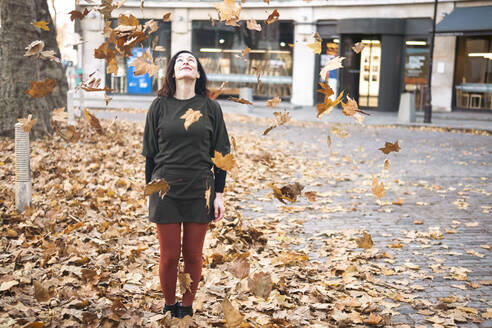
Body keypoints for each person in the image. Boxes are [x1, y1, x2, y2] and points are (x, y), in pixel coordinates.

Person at [142, 50, 231, 319]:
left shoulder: (211, 107)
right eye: (180, 60)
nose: (185, 62)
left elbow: (222, 153)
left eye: (191, 60)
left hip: (199, 189)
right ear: (172, 72)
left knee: (193, 254)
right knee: (169, 255)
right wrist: (149, 191)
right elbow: (150, 153)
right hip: (165, 188)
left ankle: (187, 307)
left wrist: (219, 194)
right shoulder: (159, 106)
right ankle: (170, 306)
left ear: (198, 73)